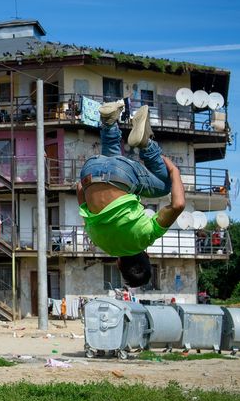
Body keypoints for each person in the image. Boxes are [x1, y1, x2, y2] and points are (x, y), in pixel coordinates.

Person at [77, 101, 186, 288]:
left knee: (165, 186)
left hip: (122, 175)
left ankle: (146, 143)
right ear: (119, 263)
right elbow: (80, 192)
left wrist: (175, 171)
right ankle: (108, 121)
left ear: (147, 255)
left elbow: (178, 205)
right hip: (90, 172)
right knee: (111, 159)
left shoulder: (146, 236)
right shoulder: (99, 242)